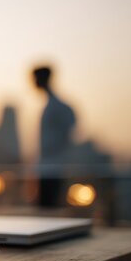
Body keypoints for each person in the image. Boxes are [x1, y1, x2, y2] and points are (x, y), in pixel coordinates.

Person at [33, 65, 77, 207]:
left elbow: (70, 126)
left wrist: (56, 147)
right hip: (47, 167)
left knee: (50, 207)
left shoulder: (58, 106)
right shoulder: (52, 105)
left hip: (54, 168)